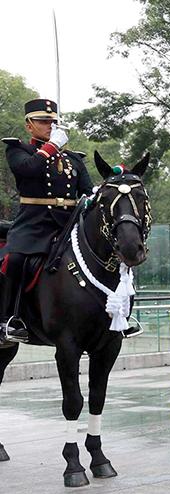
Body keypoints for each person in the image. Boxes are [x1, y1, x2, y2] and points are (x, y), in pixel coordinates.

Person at [2, 98, 95, 344]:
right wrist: (52, 146)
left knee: (110, 252)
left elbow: (87, 190)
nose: (50, 126)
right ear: (29, 125)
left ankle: (115, 317)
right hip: (34, 224)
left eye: (53, 122)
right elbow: (29, 170)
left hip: (69, 225)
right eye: (43, 121)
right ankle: (9, 319)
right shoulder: (17, 150)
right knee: (14, 260)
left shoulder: (74, 159)